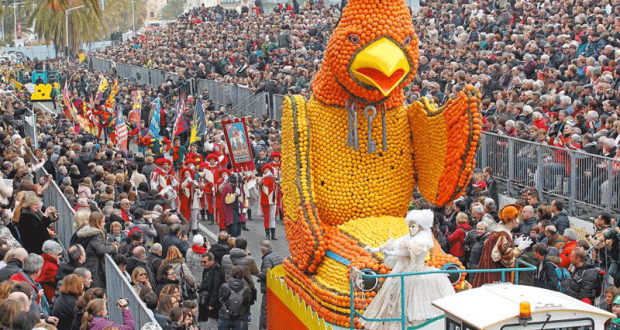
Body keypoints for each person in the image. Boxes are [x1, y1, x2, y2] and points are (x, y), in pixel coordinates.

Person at [361, 210, 455, 330]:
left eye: (413, 225)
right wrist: (376, 249)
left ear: (421, 226)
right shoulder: (410, 237)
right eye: (410, 225)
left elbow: (406, 253)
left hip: (416, 274)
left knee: (415, 304)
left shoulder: (423, 240)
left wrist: (391, 253)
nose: (411, 228)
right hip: (404, 272)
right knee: (395, 300)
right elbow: (395, 244)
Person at [473, 204, 533, 287]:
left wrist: (514, 244)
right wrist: (519, 248)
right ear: (513, 219)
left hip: (490, 271)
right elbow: (503, 258)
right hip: (496, 275)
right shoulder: (503, 235)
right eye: (517, 218)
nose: (519, 221)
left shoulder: (499, 232)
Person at [75, 212, 119, 288]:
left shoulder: (89, 233)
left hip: (91, 264)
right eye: (102, 222)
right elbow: (101, 249)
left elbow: (99, 244)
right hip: (95, 266)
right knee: (97, 287)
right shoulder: (95, 234)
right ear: (97, 222)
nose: (104, 224)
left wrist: (110, 244)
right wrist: (114, 248)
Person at [257, 240, 282, 330]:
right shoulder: (277, 256)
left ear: (264, 249)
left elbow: (266, 274)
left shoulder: (267, 259)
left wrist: (257, 273)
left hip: (269, 288)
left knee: (265, 310)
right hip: (277, 286)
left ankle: (263, 328)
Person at [218, 266, 251, 330]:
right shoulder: (246, 289)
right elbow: (246, 303)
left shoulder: (224, 286)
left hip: (225, 316)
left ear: (231, 274)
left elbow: (220, 298)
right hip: (240, 317)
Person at [198, 252, 225, 329]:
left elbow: (216, 289)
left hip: (214, 303)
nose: (203, 264)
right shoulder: (208, 269)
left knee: (213, 322)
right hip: (209, 300)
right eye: (201, 262)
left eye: (205, 262)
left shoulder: (217, 271)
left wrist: (211, 304)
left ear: (211, 261)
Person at [259, 165, 278, 240]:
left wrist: (274, 176)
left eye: (268, 169)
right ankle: (267, 234)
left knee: (272, 217)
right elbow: (259, 183)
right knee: (266, 217)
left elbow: (278, 181)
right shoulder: (261, 178)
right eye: (265, 170)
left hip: (272, 200)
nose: (267, 171)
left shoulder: (272, 178)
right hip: (265, 201)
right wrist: (264, 177)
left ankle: (273, 234)